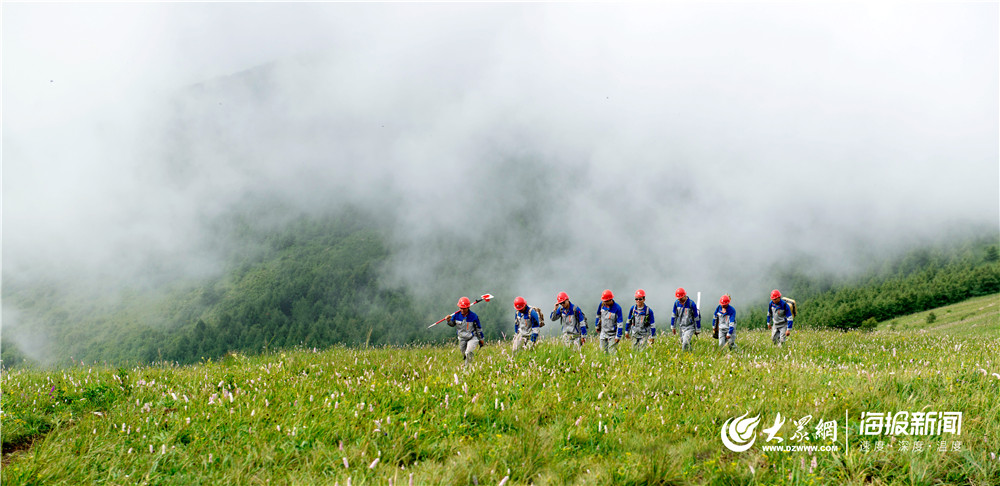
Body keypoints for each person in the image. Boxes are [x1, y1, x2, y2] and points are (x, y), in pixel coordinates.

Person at [446, 296, 485, 365]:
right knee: (464, 354)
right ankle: (469, 364)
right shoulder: (456, 315)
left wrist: (481, 339)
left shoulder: (474, 316)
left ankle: (467, 368)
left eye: (464, 308)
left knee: (468, 353)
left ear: (468, 307)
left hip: (472, 337)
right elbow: (452, 324)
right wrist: (448, 321)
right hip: (462, 338)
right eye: (461, 308)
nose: (462, 310)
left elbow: (478, 328)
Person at [595, 289, 624, 354]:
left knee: (612, 353)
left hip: (612, 334)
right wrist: (597, 326)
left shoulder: (617, 308)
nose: (605, 303)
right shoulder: (602, 304)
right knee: (603, 352)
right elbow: (598, 315)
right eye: (604, 301)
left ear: (611, 300)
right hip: (603, 332)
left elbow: (620, 323)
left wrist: (618, 336)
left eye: (606, 301)